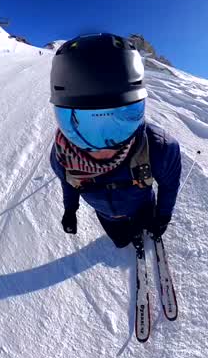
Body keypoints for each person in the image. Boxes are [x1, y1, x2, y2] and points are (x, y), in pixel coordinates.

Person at [48, 34, 181, 250]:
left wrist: (163, 215)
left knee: (144, 224)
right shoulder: (61, 158)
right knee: (121, 241)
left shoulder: (159, 147)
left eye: (121, 121)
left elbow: (169, 186)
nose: (104, 148)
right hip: (108, 217)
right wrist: (70, 209)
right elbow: (68, 183)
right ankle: (130, 236)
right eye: (83, 128)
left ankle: (140, 230)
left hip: (143, 206)